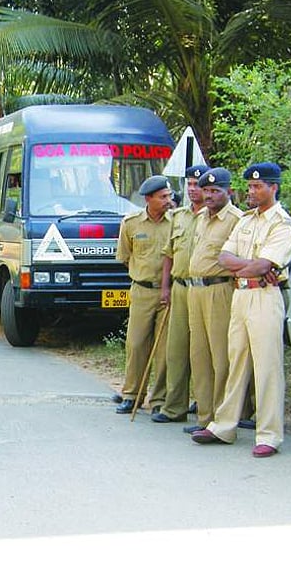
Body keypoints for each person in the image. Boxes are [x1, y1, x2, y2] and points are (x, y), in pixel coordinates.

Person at [192, 162, 291, 457]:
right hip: (241, 295)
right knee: (236, 360)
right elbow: (224, 257)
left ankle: (269, 434)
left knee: (267, 366)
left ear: (273, 188)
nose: (252, 191)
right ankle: (224, 425)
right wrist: (250, 269)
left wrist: (251, 268)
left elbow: (266, 264)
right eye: (249, 186)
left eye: (258, 186)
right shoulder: (247, 220)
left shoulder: (280, 223)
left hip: (264, 297)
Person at [181, 168, 244, 434]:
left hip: (220, 289)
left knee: (221, 357)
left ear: (228, 191)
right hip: (195, 290)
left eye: (215, 191)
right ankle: (204, 417)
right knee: (199, 355)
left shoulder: (236, 219)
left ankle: (222, 418)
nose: (209, 195)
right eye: (205, 190)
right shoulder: (202, 218)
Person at [113, 175, 175, 415]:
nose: (168, 201)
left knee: (164, 348)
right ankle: (132, 394)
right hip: (141, 290)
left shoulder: (176, 222)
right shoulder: (131, 223)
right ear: (148, 199)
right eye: (163, 197)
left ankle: (159, 399)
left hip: (168, 291)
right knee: (136, 344)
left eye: (169, 196)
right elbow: (125, 256)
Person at [153, 165, 210, 423]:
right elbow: (168, 254)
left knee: (203, 351)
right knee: (175, 350)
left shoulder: (215, 216)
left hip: (205, 287)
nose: (192, 188)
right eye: (188, 184)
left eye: (197, 184)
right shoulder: (179, 216)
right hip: (179, 287)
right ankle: (173, 407)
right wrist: (165, 287)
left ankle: (203, 404)